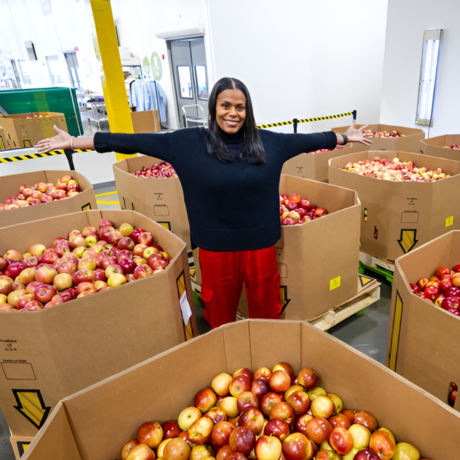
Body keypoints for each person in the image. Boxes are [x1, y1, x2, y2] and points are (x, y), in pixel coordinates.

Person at [35, 77, 372, 329]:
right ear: (214, 107)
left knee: (268, 313)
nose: (233, 113)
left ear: (247, 111)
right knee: (220, 316)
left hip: (261, 248)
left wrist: (346, 136)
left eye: (240, 107)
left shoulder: (269, 143)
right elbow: (133, 139)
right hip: (214, 250)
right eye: (226, 105)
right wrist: (77, 141)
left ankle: (270, 359)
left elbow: (312, 139)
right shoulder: (188, 143)